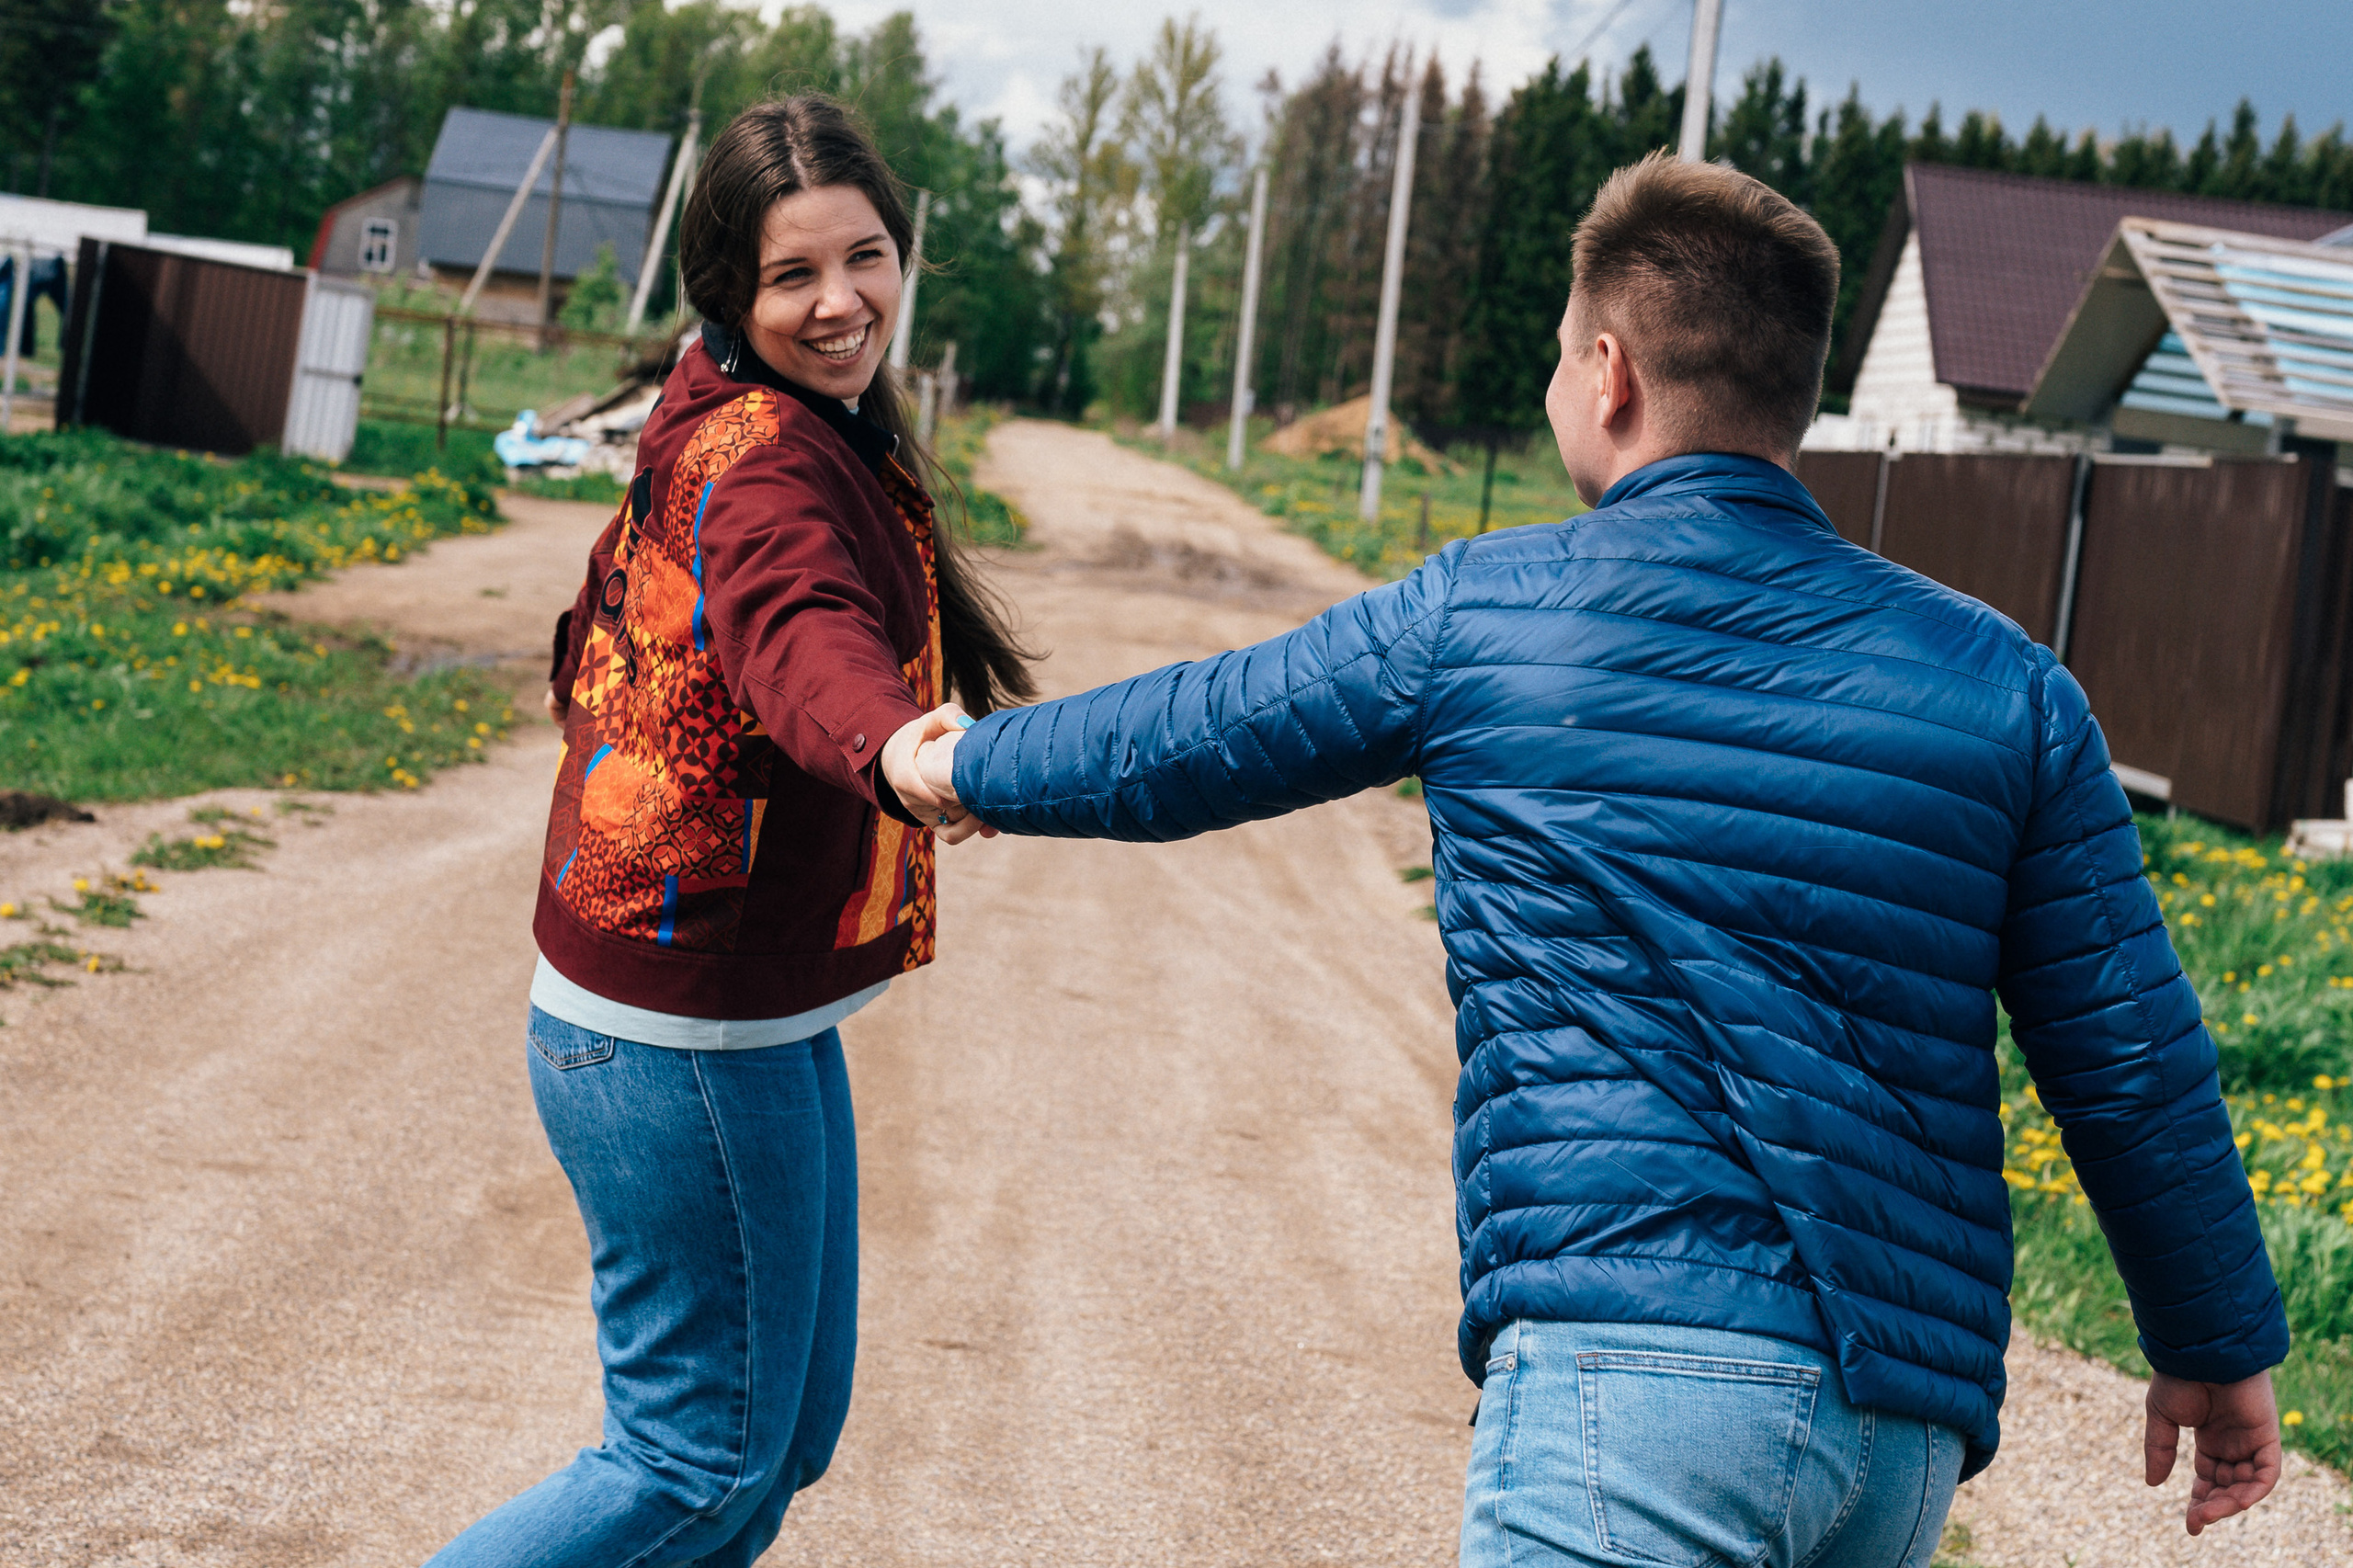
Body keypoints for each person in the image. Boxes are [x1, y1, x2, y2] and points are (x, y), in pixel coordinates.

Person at [900, 153, 2289, 1566]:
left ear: (1609, 372)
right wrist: (2215, 1340)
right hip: (1893, 1441)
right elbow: (2130, 1054)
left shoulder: (1485, 614)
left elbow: (1204, 729)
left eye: (1564, 355)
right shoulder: (2009, 684)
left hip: (1632, 1396)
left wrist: (962, 761)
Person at [428, 96, 1029, 1567]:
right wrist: (890, 742)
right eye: (793, 276)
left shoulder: (771, 413)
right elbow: (798, 635)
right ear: (729, 293)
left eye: (867, 256)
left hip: (741, 1012)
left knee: (776, 1445)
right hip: (674, 1032)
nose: (841, 303)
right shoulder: (761, 455)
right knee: (697, 1462)